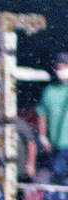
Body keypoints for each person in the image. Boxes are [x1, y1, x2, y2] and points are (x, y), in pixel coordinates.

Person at [38, 51, 68, 183]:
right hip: (57, 145)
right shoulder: (49, 91)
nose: (61, 71)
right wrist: (43, 137)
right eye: (59, 68)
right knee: (59, 178)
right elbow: (42, 114)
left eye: (64, 67)